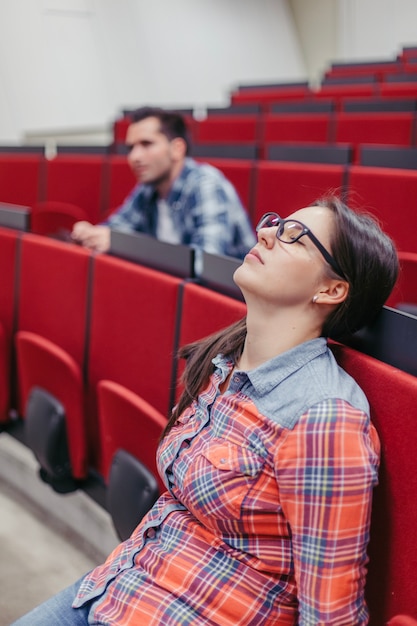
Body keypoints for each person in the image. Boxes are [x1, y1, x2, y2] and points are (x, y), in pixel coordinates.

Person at [13, 195, 399, 625]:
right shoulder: (228, 361)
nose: (266, 232)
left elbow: (331, 616)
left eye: (294, 236)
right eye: (275, 222)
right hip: (123, 587)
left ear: (331, 290)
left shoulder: (324, 417)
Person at [71, 106, 256, 270]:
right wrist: (91, 234)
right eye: (130, 148)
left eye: (146, 144)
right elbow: (117, 228)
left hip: (229, 301)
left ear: (177, 149)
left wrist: (125, 245)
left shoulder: (206, 185)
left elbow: (205, 264)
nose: (134, 156)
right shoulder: (148, 188)